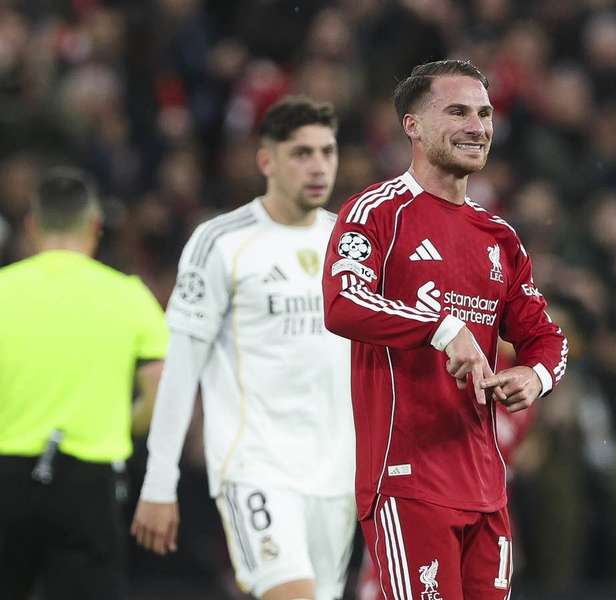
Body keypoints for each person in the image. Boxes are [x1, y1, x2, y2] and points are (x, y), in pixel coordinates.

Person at [322, 59, 568, 599]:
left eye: (484, 114)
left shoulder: (498, 235)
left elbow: (548, 339)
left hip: (486, 485)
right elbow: (342, 304)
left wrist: (536, 376)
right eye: (457, 111)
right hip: (408, 478)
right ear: (412, 125)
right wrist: (440, 327)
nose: (477, 127)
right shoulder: (377, 212)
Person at [131, 96, 356, 600]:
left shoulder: (351, 243)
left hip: (338, 472)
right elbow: (181, 369)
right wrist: (158, 482)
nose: (318, 166)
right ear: (266, 161)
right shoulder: (222, 243)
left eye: (327, 151)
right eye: (301, 153)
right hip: (256, 467)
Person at [0, 167, 168, 600]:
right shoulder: (129, 295)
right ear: (95, 225)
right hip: (89, 481)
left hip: (6, 475)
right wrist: (122, 424)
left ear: (33, 225)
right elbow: (159, 393)